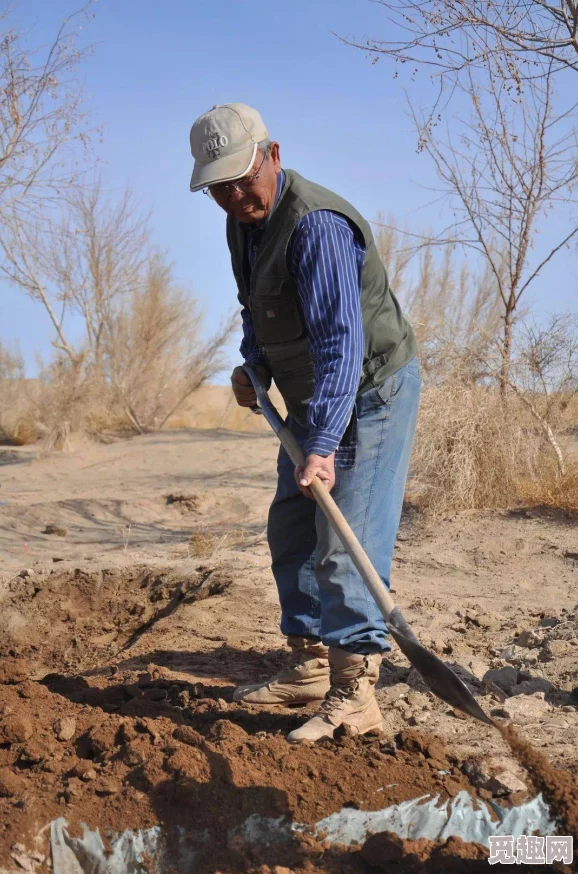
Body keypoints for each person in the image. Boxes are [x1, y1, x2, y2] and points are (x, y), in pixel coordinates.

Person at [189, 103, 420, 743]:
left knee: (345, 538)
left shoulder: (315, 226)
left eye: (242, 176)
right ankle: (311, 667)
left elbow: (341, 345)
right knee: (291, 523)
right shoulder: (244, 225)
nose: (235, 195)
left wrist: (320, 446)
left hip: (369, 389)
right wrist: (252, 367)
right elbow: (256, 308)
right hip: (312, 394)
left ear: (273, 155)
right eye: (218, 187)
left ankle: (356, 692)